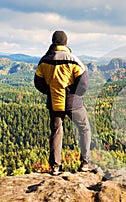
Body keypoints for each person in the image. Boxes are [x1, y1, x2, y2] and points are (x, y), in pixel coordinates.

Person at [34, 30, 96, 175]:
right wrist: (74, 94)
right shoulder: (73, 60)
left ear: (53, 42)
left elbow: (38, 82)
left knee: (56, 132)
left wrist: (50, 91)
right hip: (73, 103)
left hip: (54, 103)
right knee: (84, 129)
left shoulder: (44, 60)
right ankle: (85, 163)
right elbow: (84, 83)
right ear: (66, 42)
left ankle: (55, 167)